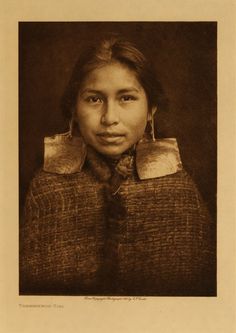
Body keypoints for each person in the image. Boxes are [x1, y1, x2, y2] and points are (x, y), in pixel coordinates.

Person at [19, 34, 216, 296]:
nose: (109, 118)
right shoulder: (47, 190)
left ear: (151, 109)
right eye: (94, 99)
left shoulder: (180, 192)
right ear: (73, 110)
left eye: (126, 98)